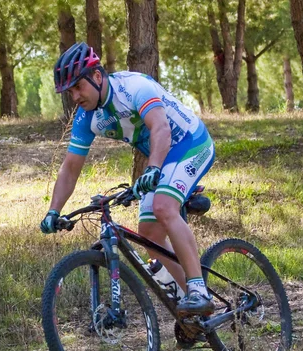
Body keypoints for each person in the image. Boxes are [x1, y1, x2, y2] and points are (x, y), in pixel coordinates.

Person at [40, 42, 215, 316]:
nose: (74, 96)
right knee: (149, 234)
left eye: (78, 87)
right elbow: (70, 167)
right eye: (69, 91)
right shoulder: (87, 117)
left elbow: (161, 129)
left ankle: (198, 290)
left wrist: (154, 168)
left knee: (163, 207)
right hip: (162, 158)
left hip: (190, 143)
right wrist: (54, 210)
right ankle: (195, 310)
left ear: (97, 76)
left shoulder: (133, 87)